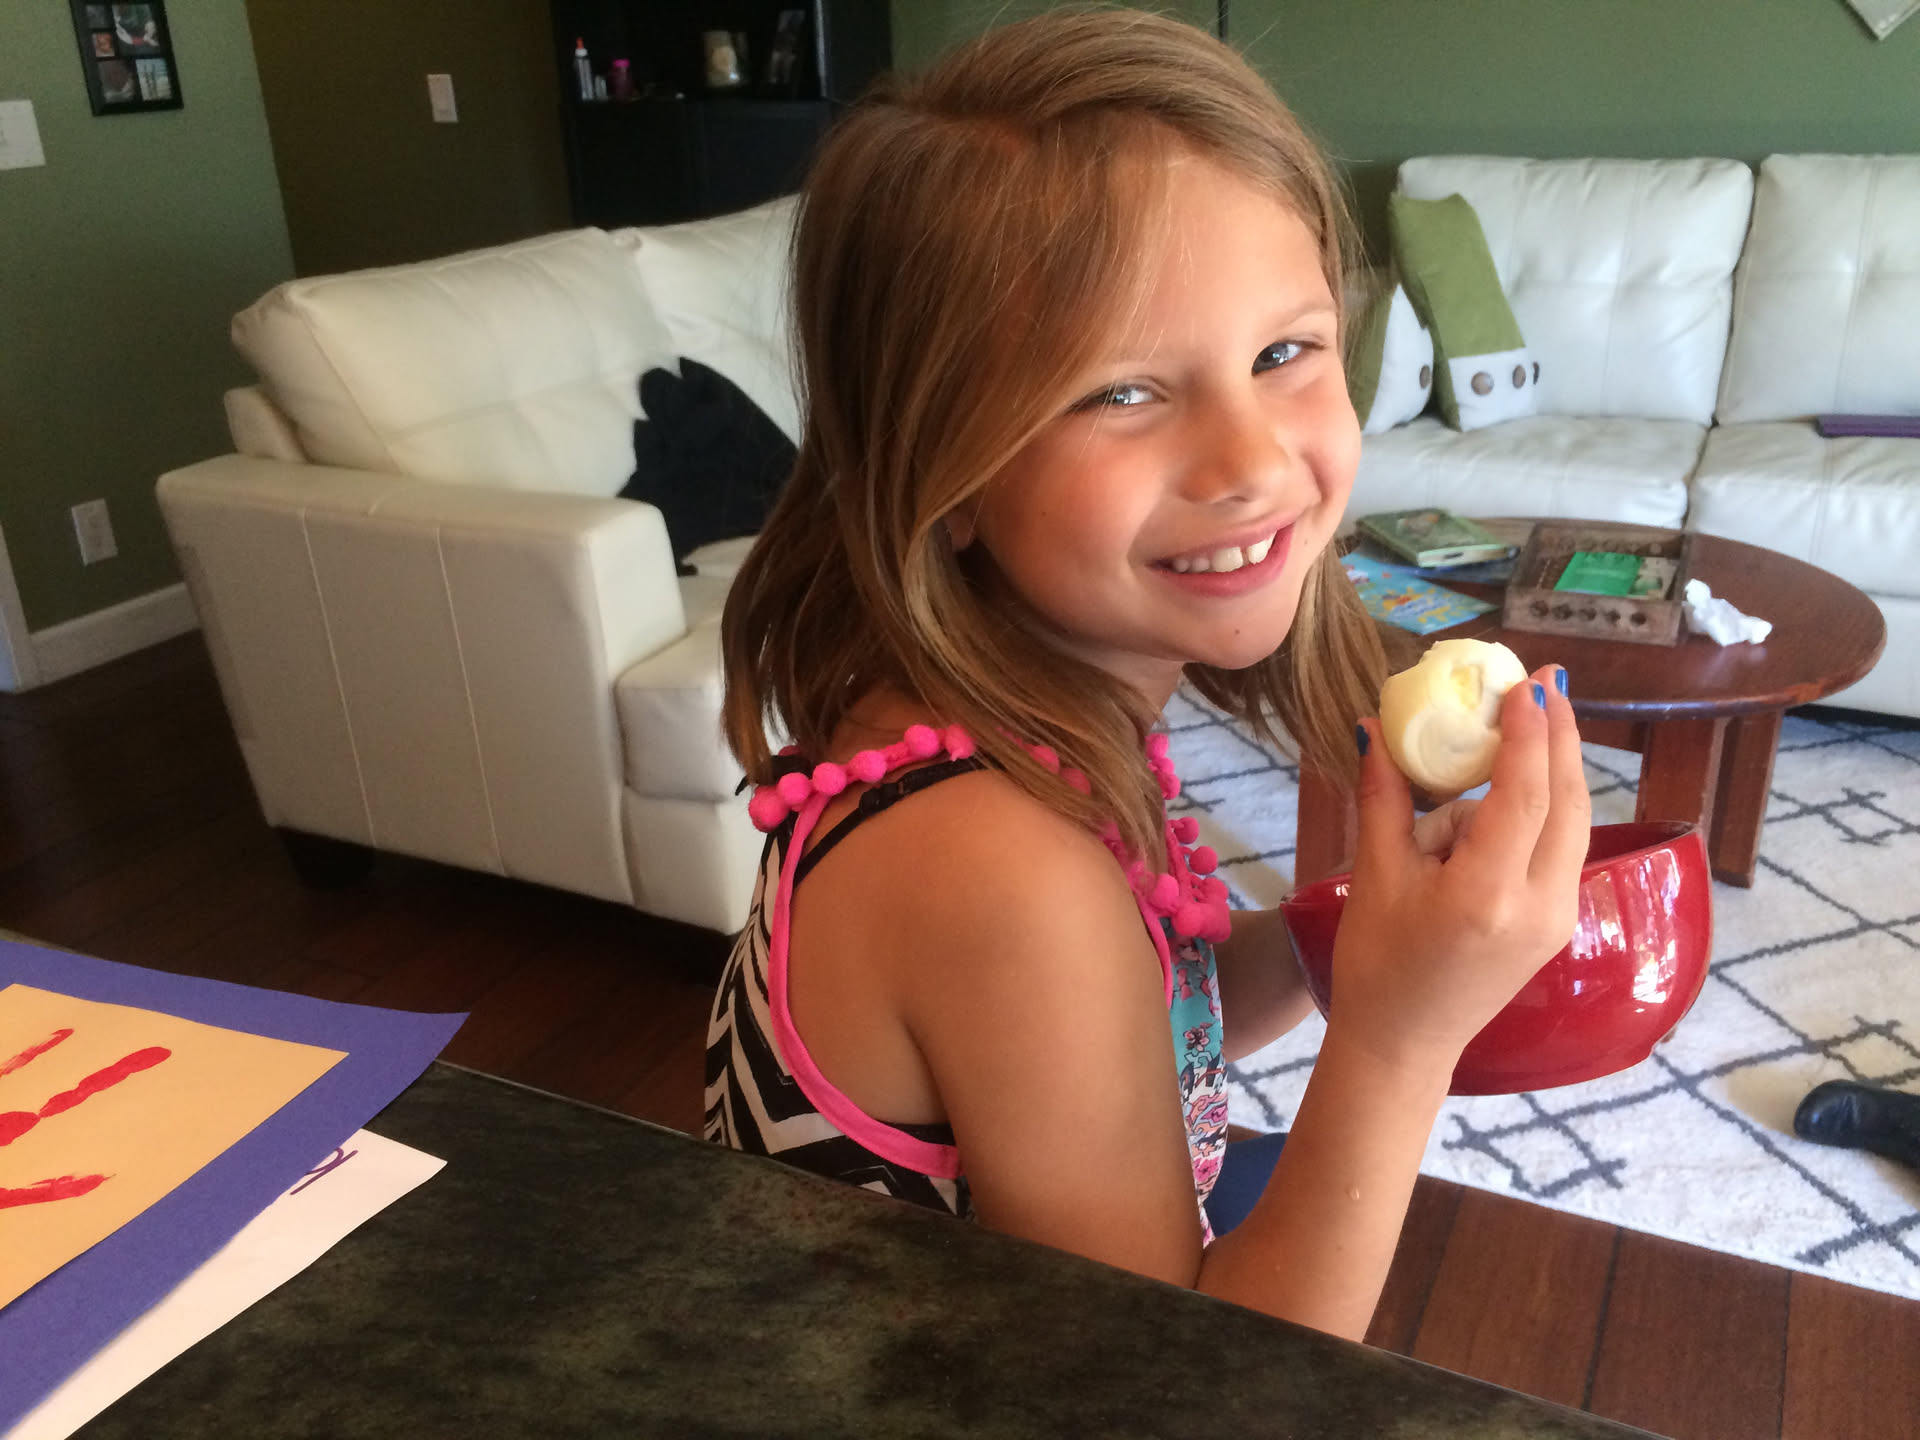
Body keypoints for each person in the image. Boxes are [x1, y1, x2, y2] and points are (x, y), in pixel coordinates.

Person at [703, 10, 1588, 1342]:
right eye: (1120, 391)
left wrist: (1354, 942)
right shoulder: (1003, 867)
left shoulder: (1011, 726)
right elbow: (1182, 1393)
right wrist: (1399, 1041)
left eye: (1284, 353)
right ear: (943, 469)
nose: (1251, 461)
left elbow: (1150, 1024)